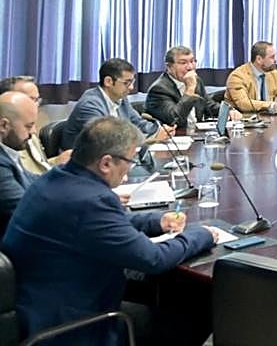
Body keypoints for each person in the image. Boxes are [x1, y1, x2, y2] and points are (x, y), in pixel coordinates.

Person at [3, 117, 216, 345]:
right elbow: (154, 259)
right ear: (106, 163)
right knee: (197, 315)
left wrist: (155, 222)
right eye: (130, 161)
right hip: (70, 326)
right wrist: (203, 234)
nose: (129, 168)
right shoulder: (92, 200)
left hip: (37, 307)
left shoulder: (56, 179)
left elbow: (102, 224)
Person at [59, 58, 170, 151]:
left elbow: (138, 123)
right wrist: (150, 140)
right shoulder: (90, 105)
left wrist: (159, 130)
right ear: (108, 81)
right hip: (84, 165)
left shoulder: (120, 98)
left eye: (132, 82)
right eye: (127, 83)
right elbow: (107, 142)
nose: (131, 87)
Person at [147, 45, 234, 128]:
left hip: (196, 134)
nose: (190, 67)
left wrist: (228, 111)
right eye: (183, 63)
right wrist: (190, 89)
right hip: (175, 137)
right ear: (169, 67)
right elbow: (175, 119)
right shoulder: (159, 89)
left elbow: (209, 105)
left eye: (192, 61)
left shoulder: (197, 80)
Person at [0, 76, 71, 174]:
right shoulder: (11, 139)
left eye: (37, 100)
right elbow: (24, 178)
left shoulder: (29, 128)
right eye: (29, 99)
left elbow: (40, 165)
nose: (35, 105)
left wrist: (58, 161)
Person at [0, 92, 38, 236]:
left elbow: (30, 178)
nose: (33, 132)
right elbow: (25, 210)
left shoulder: (8, 150)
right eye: (28, 126)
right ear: (4, 125)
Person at [225, 40, 277, 115]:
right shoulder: (237, 76)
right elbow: (244, 104)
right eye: (272, 57)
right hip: (245, 121)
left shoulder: (273, 73)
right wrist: (272, 105)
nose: (275, 60)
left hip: (269, 120)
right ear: (259, 59)